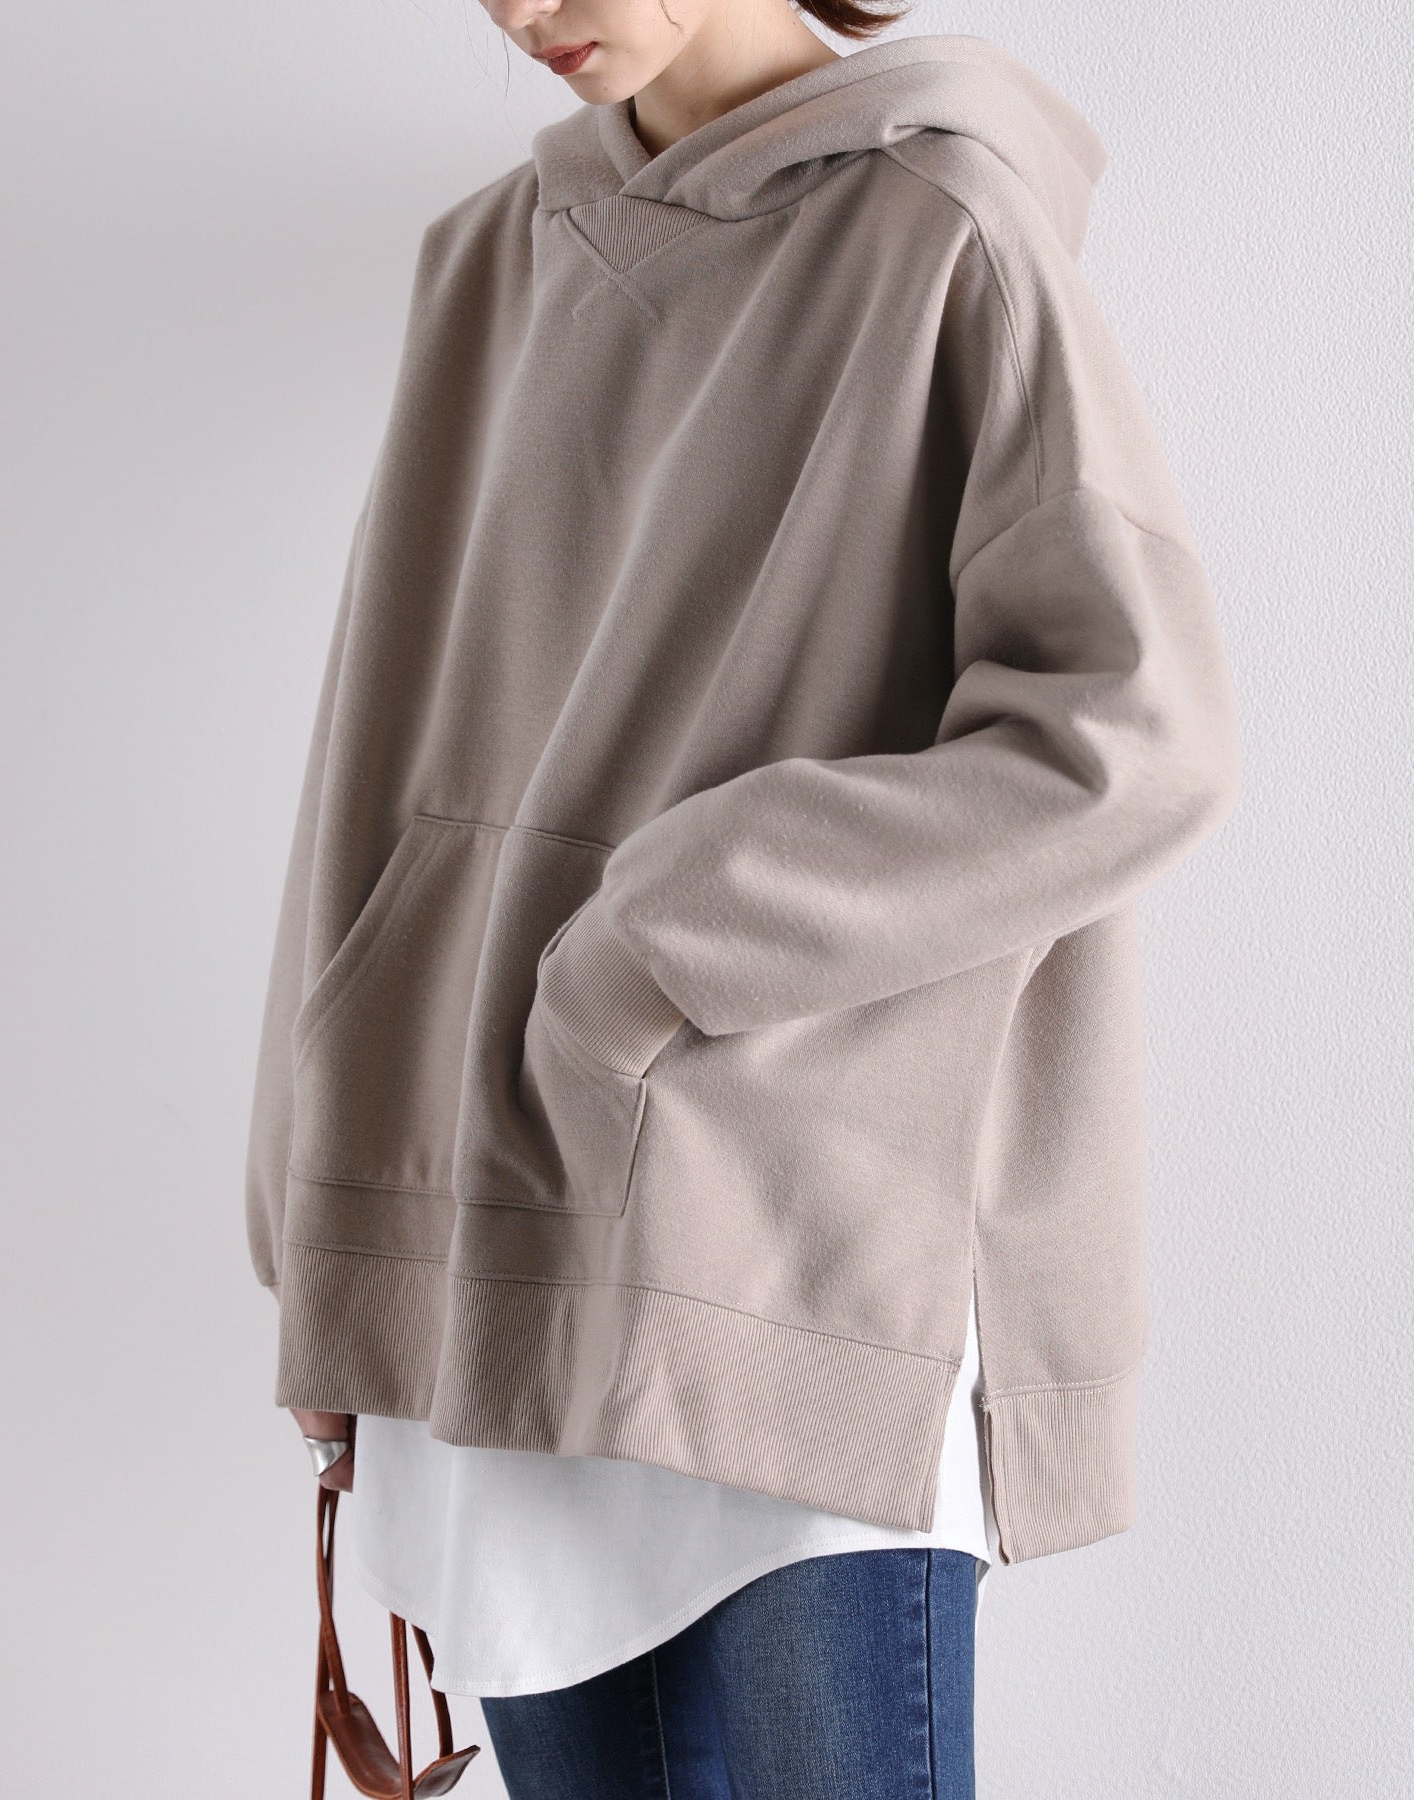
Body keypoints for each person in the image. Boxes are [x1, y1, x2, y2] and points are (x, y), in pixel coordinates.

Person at [249, 2, 1242, 1793]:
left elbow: (1132, 731)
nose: (522, 12)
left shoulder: (942, 228)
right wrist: (321, 1235)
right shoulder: (490, 260)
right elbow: (372, 765)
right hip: (496, 1226)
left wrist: (662, 936)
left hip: (809, 1235)